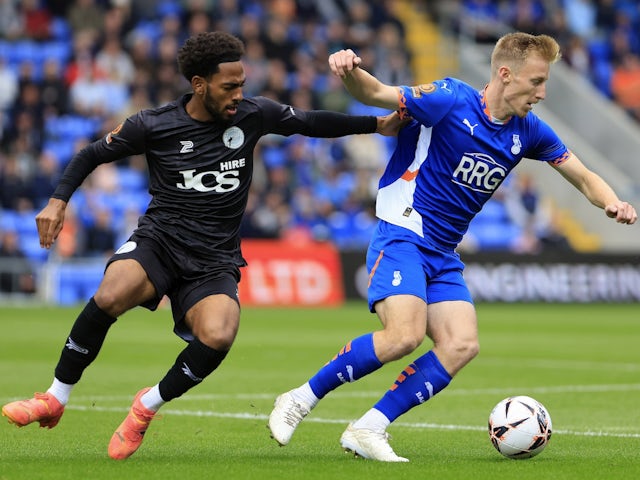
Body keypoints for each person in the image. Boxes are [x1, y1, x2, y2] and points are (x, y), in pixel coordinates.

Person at [1, 31, 403, 460]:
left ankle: (146, 407)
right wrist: (57, 201)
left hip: (214, 259)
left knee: (219, 333)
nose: (239, 94)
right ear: (199, 84)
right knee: (111, 293)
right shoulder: (153, 124)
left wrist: (376, 125)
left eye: (242, 83)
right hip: (159, 242)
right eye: (229, 86)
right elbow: (89, 155)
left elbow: (309, 122)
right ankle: (55, 397)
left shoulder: (252, 115)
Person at [268, 32, 638, 462]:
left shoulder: (529, 131)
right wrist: (350, 70)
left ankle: (369, 427)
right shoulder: (448, 98)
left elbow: (583, 175)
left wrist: (612, 202)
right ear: (505, 74)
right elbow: (375, 93)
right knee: (403, 336)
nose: (542, 92)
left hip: (443, 252)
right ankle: (299, 398)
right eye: (536, 81)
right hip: (403, 231)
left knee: (461, 344)